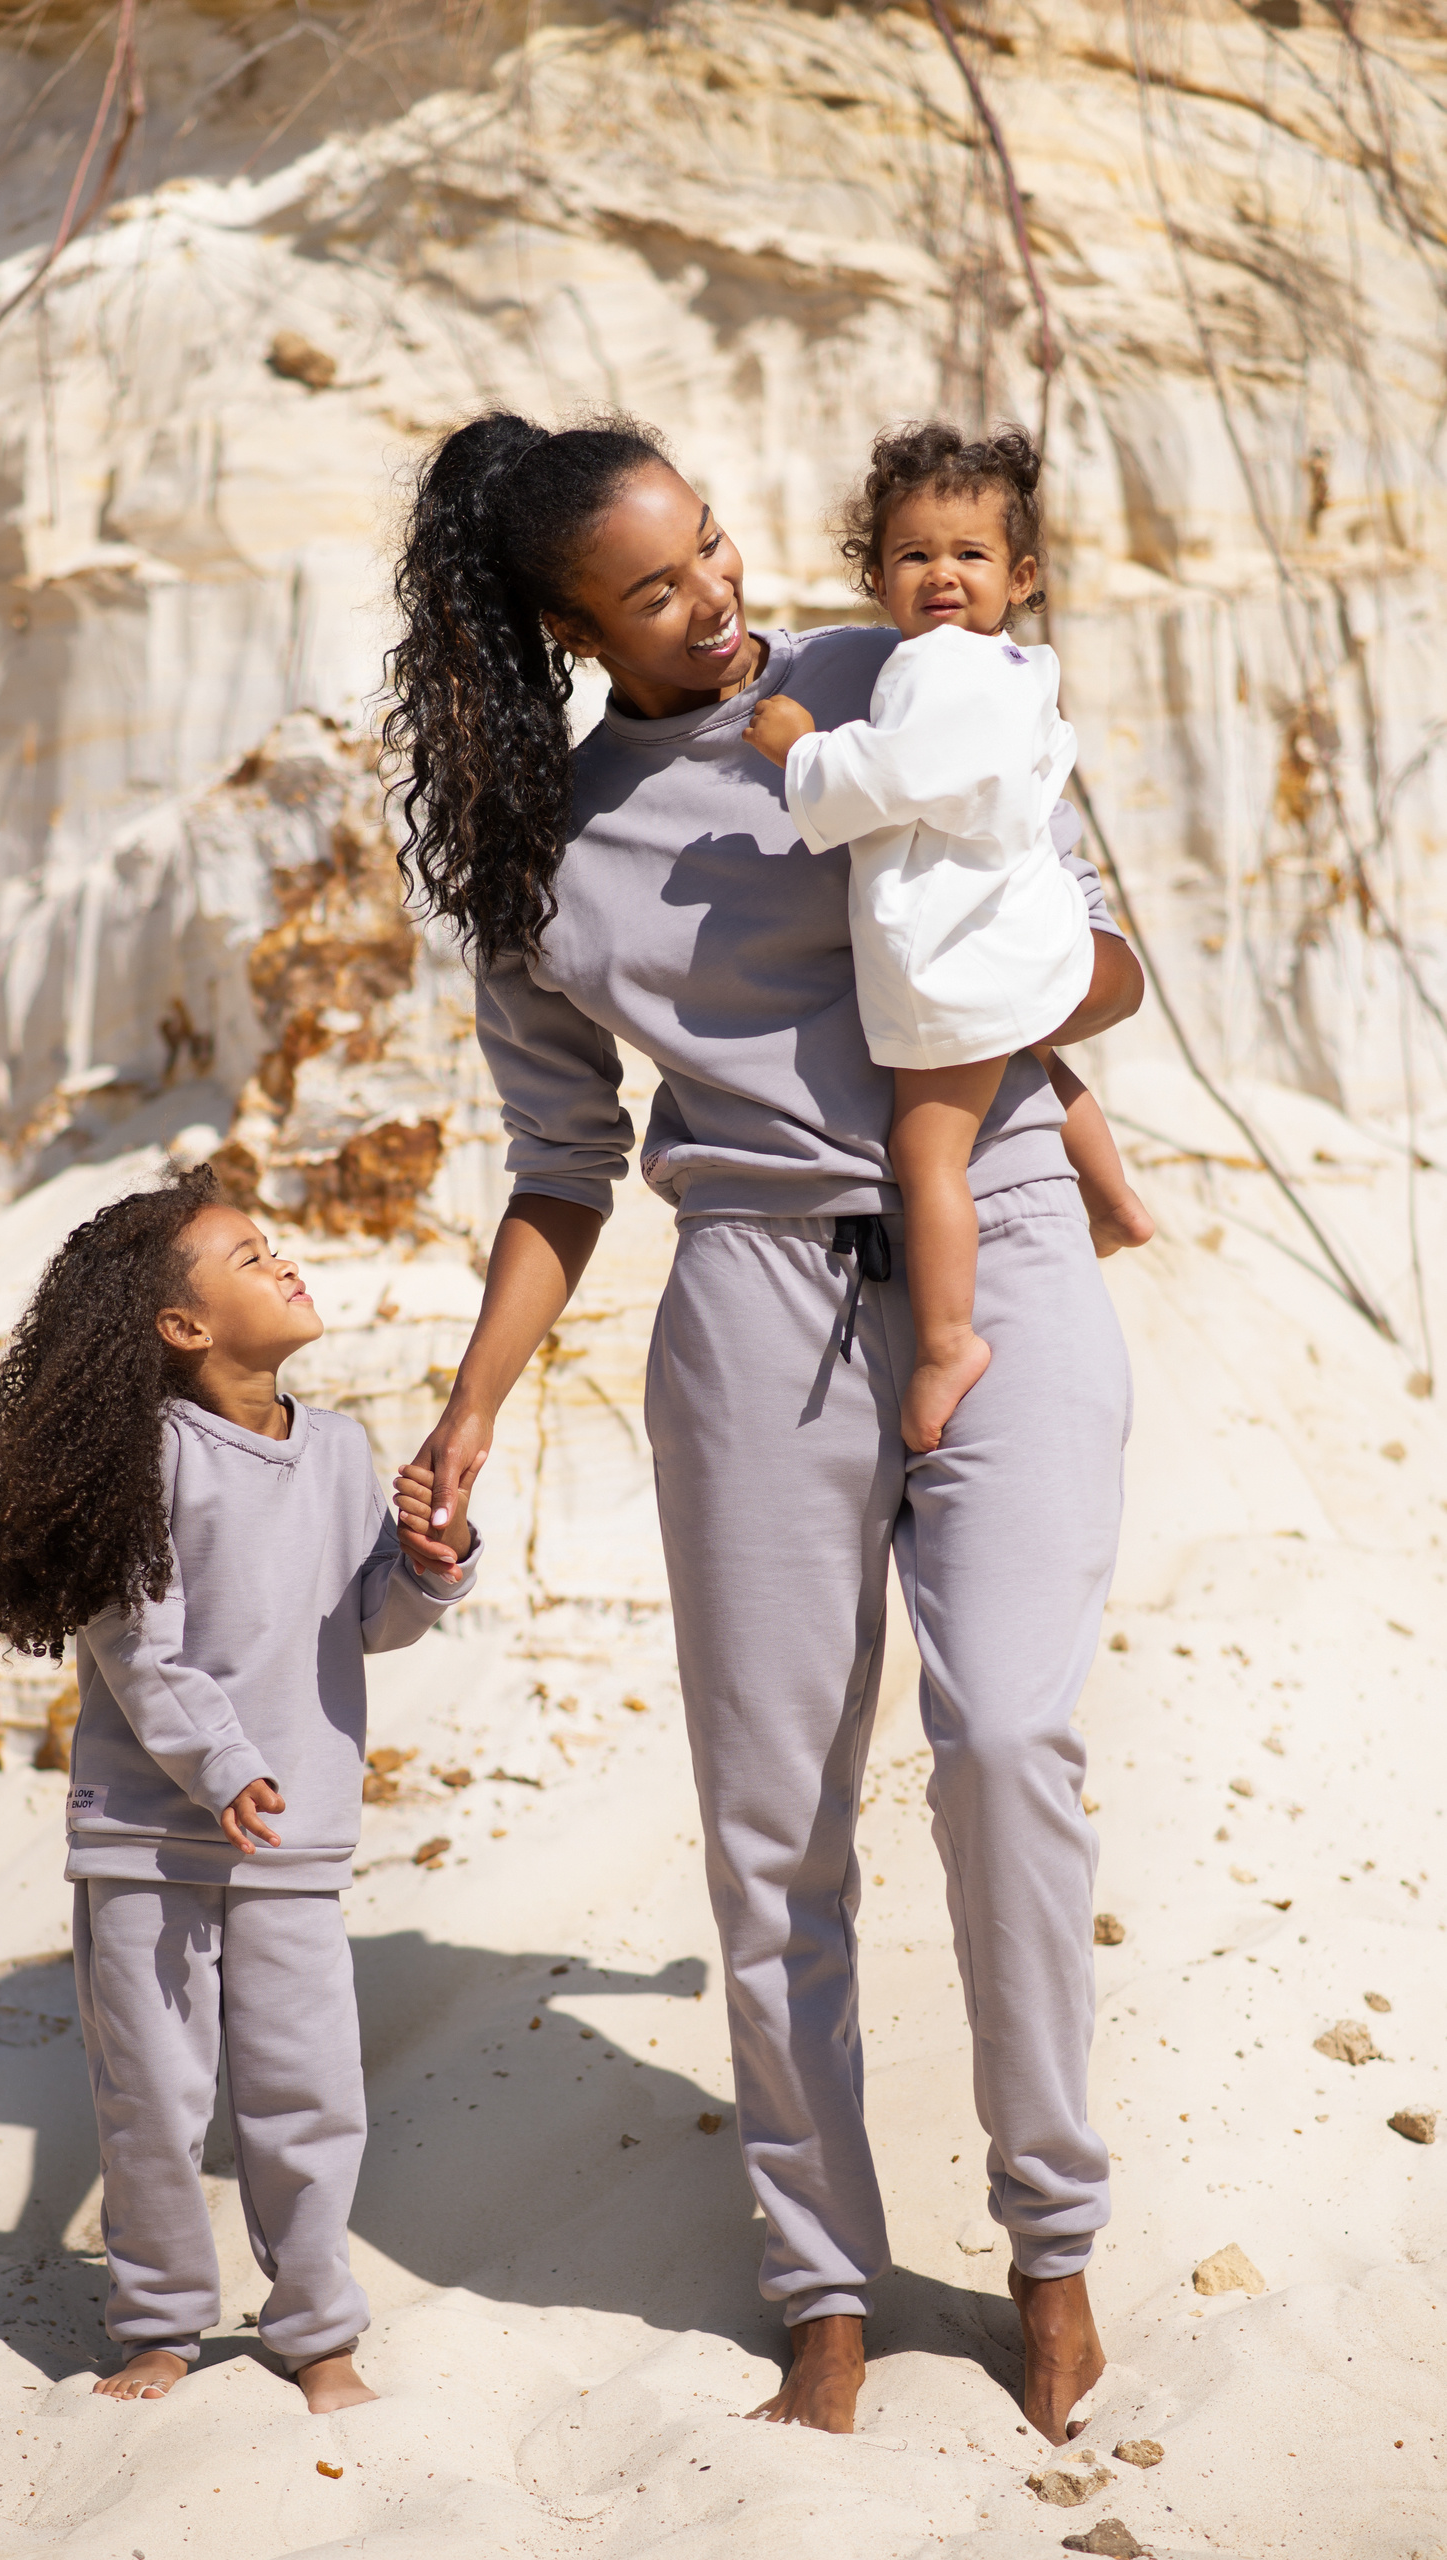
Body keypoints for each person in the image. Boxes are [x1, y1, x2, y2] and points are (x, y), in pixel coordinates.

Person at [383, 410, 1143, 2443]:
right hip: (749, 1299)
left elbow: (1103, 956)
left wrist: (1002, 1008)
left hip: (998, 1238)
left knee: (1005, 1741)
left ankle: (1051, 2246)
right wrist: (466, 1410)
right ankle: (819, 2283)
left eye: (714, 546)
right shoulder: (548, 854)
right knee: (771, 1824)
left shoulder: (898, 667)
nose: (716, 600)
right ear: (565, 629)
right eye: (653, 591)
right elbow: (560, 1167)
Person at [0, 1164, 478, 2409]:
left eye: (274, 1244)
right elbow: (137, 1644)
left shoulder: (342, 1447)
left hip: (293, 1835)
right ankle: (160, 2323)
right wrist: (223, 1764)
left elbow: (371, 1620)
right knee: (152, 2098)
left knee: (310, 2095)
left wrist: (432, 1559)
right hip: (147, 1840)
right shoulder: (141, 1457)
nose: (283, 1260)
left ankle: (317, 2330)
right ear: (182, 1325)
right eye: (250, 1256)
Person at [744, 421, 1151, 1452]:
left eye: (970, 554)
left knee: (926, 1151)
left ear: (1020, 576)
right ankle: (1112, 1200)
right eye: (913, 554)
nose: (940, 574)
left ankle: (945, 1341)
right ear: (875, 577)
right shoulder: (1009, 667)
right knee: (1030, 1053)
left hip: (966, 947)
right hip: (1017, 928)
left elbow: (895, 775)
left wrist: (803, 751)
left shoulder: (943, 668)